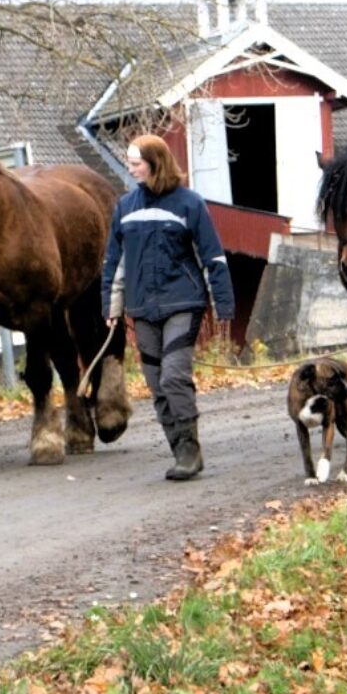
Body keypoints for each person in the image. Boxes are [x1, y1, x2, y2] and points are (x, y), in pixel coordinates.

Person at [101, 134, 235, 480]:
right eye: (129, 163)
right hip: (141, 308)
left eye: (136, 163)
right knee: (157, 383)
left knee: (174, 376)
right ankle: (179, 449)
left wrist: (223, 304)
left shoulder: (190, 204)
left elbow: (213, 257)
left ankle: (190, 448)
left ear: (155, 162)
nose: (130, 169)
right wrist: (111, 307)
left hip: (183, 303)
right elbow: (114, 262)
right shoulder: (125, 207)